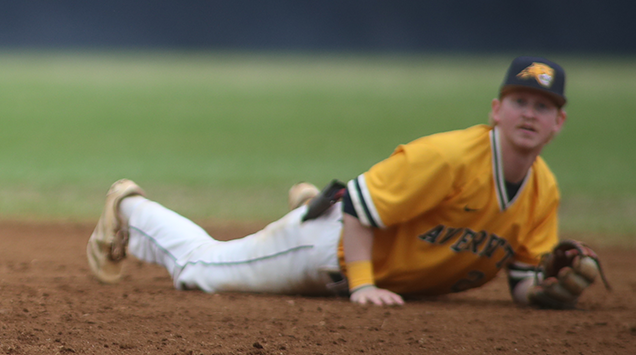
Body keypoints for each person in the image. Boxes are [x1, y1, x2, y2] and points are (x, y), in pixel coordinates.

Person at [87, 56, 589, 309]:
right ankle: (130, 208)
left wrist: (548, 291)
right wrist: (364, 285)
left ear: (559, 123)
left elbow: (524, 281)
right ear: (497, 109)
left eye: (542, 106)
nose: (530, 114)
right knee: (201, 270)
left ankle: (304, 209)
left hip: (356, 243)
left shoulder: (543, 190)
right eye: (520, 102)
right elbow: (361, 211)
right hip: (333, 250)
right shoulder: (450, 157)